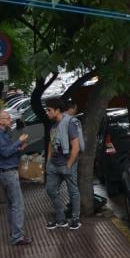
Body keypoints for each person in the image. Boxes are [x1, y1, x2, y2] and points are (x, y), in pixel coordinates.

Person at [0, 110, 32, 246]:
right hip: (8, 172)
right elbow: (5, 152)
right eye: (7, 118)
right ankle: (17, 236)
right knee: (17, 205)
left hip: (7, 171)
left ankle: (15, 233)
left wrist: (19, 147)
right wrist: (19, 141)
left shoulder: (1, 133)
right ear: (0, 120)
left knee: (13, 205)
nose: (10, 120)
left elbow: (7, 151)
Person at [45, 97, 81, 230]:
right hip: (54, 164)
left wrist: (69, 165)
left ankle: (75, 219)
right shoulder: (53, 125)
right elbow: (51, 143)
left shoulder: (69, 123)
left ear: (57, 110)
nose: (47, 113)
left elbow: (76, 147)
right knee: (50, 189)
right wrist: (49, 162)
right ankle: (61, 218)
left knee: (73, 192)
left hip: (67, 164)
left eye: (49, 110)